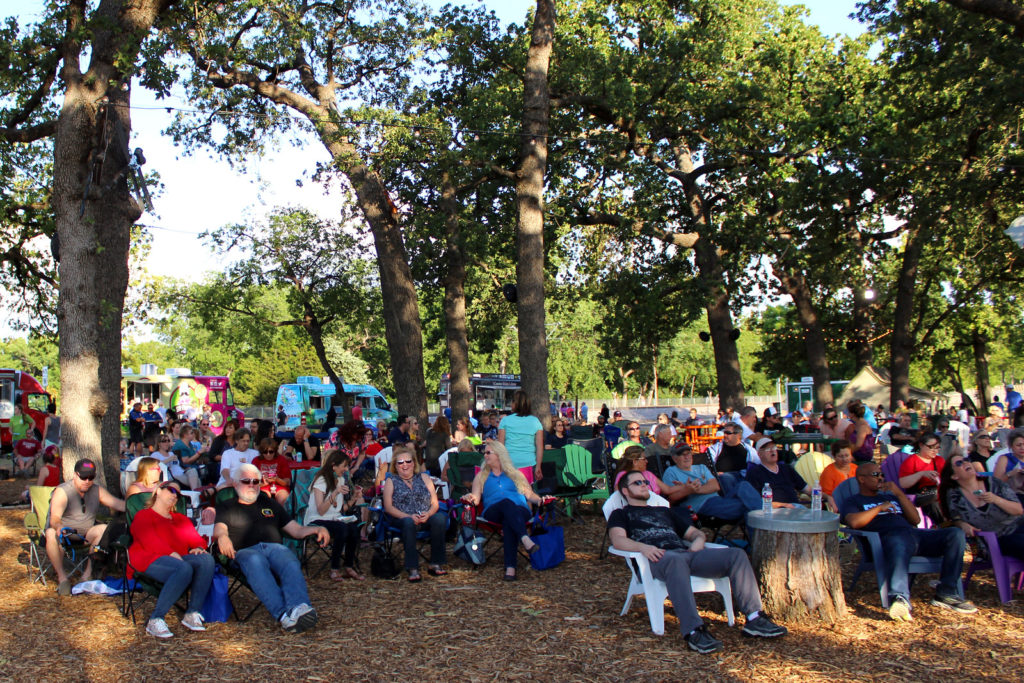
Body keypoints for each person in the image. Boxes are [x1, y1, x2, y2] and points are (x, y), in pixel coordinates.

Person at [608, 470, 787, 653]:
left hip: (685, 554)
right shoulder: (621, 514)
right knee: (676, 561)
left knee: (737, 555)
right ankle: (694, 631)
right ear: (625, 491)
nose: (644, 484)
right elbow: (618, 540)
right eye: (637, 483)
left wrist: (699, 540)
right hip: (656, 559)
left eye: (645, 481)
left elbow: (694, 533)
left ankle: (755, 617)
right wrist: (643, 548)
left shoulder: (664, 511)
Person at [841, 461, 975, 620]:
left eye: (882, 475)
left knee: (954, 534)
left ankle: (946, 592)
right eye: (876, 475)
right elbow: (854, 522)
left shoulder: (890, 496)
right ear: (862, 479)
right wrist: (878, 508)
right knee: (898, 539)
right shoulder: (854, 501)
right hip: (888, 539)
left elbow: (915, 519)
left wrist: (898, 494)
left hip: (914, 535)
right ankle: (900, 598)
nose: (881, 478)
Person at [213, 463, 330, 633]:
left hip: (274, 548)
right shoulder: (227, 505)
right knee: (256, 561)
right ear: (236, 484)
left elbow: (295, 530)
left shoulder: (269, 502)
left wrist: (317, 528)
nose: (252, 485)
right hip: (245, 551)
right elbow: (220, 528)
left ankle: (298, 607)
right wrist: (222, 537)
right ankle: (284, 615)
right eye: (247, 481)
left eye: (256, 481)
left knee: (288, 557)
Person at [128, 481, 215, 638]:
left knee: (206, 560)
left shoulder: (180, 519)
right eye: (172, 490)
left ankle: (192, 612)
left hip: (177, 560)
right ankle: (155, 619)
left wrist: (198, 548)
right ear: (158, 491)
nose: (175, 495)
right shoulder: (144, 515)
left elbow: (197, 540)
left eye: (178, 494)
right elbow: (148, 540)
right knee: (183, 568)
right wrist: (171, 553)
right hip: (148, 559)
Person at [461, 441, 547, 581]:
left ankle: (510, 568)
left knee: (509, 519)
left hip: (519, 510)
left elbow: (530, 495)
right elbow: (476, 499)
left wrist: (541, 501)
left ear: (499, 455)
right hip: (493, 511)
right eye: (485, 453)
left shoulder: (515, 474)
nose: (485, 455)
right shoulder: (481, 476)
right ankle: (525, 538)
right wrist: (469, 498)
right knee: (506, 503)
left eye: (489, 452)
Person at [46, 459, 126, 595]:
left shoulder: (96, 490)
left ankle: (87, 574)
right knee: (50, 533)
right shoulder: (63, 491)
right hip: (64, 535)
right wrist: (59, 526)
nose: (87, 481)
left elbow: (118, 504)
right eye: (83, 477)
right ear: (75, 475)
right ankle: (62, 578)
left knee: (102, 529)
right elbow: (54, 518)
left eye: (91, 477)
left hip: (85, 535)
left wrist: (141, 504)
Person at [940, 454, 1024, 561]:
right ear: (954, 476)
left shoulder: (993, 483)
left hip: (1018, 527)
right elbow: (955, 518)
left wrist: (996, 499)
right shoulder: (955, 496)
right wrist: (962, 524)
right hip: (996, 539)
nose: (966, 463)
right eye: (959, 463)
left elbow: (1019, 510)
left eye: (966, 460)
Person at [382, 448, 448, 582]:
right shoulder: (391, 481)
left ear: (414, 463)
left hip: (425, 516)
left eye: (408, 461)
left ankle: (435, 562)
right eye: (400, 462)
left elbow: (435, 503)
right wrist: (407, 516)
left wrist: (428, 514)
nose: (404, 465)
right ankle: (412, 567)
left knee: (440, 519)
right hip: (402, 518)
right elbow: (388, 507)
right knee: (408, 522)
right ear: (395, 465)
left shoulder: (424, 477)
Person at [304, 450, 364, 582]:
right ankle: (334, 568)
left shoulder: (341, 479)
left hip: (334, 519)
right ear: (333, 465)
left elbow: (340, 509)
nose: (346, 469)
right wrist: (335, 492)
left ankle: (348, 566)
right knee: (341, 528)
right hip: (317, 520)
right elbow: (321, 510)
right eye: (344, 466)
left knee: (353, 528)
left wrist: (354, 498)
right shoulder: (321, 480)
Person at [663, 443, 761, 518]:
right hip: (701, 505)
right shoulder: (671, 472)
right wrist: (688, 490)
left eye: (688, 453)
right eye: (682, 455)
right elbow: (671, 499)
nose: (687, 457)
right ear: (674, 458)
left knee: (743, 485)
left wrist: (695, 489)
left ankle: (763, 514)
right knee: (749, 507)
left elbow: (715, 486)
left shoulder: (701, 467)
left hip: (720, 501)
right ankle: (765, 520)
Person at [746, 437, 811, 508]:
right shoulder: (754, 473)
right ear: (759, 454)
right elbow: (756, 501)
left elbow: (806, 489)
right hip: (773, 511)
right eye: (768, 449)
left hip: (795, 508)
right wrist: (783, 505)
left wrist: (824, 495)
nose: (772, 451)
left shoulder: (787, 468)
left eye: (774, 447)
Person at [498, 390, 544, 482]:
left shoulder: (505, 421)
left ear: (515, 403)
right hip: (529, 464)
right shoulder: (535, 421)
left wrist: (500, 464)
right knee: (529, 493)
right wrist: (538, 466)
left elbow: (500, 446)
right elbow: (539, 446)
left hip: (510, 464)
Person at [898, 434, 945, 523]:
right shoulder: (912, 461)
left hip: (940, 492)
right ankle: (943, 524)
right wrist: (921, 474)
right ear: (921, 445)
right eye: (931, 447)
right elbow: (903, 483)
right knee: (933, 500)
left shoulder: (939, 460)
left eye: (937, 447)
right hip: (922, 494)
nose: (935, 450)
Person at [819, 440, 857, 512]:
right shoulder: (829, 472)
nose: (845, 459)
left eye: (847, 455)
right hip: (835, 505)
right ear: (834, 456)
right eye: (840, 456)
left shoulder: (855, 468)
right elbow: (825, 493)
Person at [253, 437, 291, 505]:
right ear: (261, 452)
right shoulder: (256, 461)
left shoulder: (281, 460)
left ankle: (281, 515)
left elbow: (287, 481)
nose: (268, 454)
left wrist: (277, 479)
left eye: (271, 452)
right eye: (265, 452)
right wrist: (263, 484)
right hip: (262, 487)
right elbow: (252, 482)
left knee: (283, 499)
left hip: (279, 486)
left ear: (275, 451)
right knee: (264, 499)